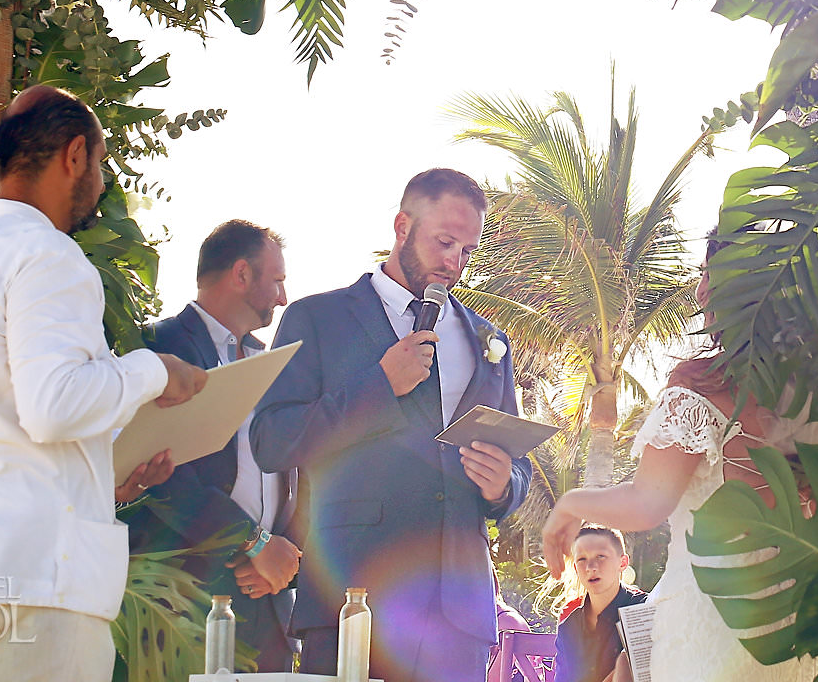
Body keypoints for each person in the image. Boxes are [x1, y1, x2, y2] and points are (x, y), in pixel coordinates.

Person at [0, 86, 206, 682]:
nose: (101, 183)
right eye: (102, 163)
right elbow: (52, 406)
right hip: (28, 591)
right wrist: (154, 370)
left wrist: (107, 481)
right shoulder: (47, 255)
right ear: (75, 154)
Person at [252, 168, 531, 682]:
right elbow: (272, 441)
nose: (455, 262)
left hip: (458, 611)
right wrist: (381, 387)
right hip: (352, 594)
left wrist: (503, 485)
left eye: (468, 251)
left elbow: (518, 463)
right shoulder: (318, 318)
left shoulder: (488, 339)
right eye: (445, 242)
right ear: (402, 225)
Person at [539, 237, 818, 682]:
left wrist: (570, 505)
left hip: (715, 622)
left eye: (709, 274)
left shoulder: (700, 388)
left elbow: (648, 502)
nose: (700, 290)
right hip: (803, 623)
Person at [124, 219, 300, 670]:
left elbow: (296, 465)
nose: (283, 297)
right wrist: (252, 543)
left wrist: (276, 554)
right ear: (241, 274)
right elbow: (161, 472)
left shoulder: (272, 360)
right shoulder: (157, 346)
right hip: (187, 599)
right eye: (277, 281)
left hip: (264, 600)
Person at [554, 526, 647, 682]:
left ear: (622, 563)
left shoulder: (642, 609)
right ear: (576, 568)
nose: (591, 567)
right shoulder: (568, 627)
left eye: (601, 557)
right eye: (582, 559)